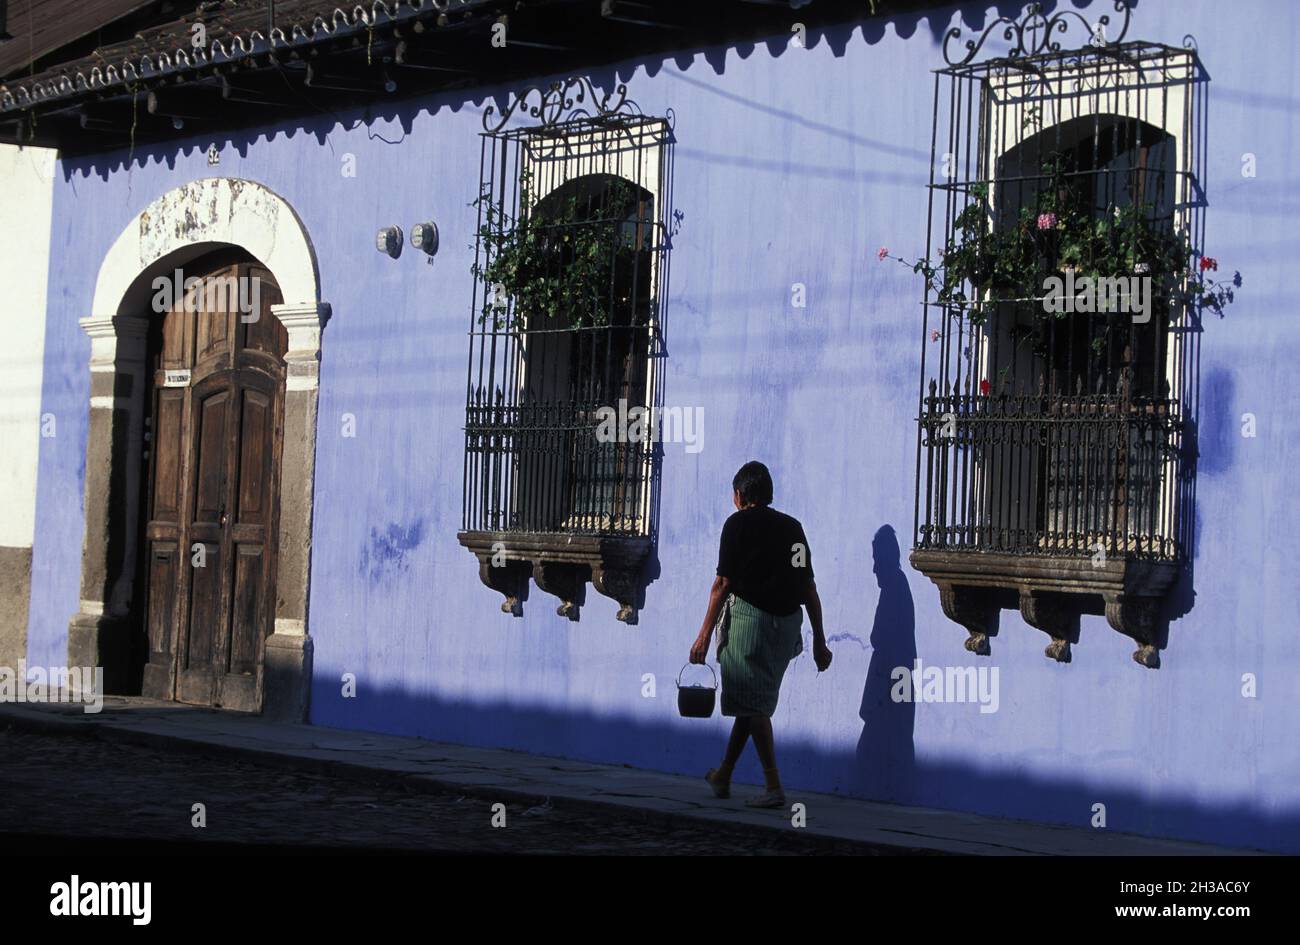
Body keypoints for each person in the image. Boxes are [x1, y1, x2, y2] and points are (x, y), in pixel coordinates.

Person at [689, 460, 832, 808]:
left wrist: (704, 634)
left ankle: (773, 787)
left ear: (739, 496)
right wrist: (819, 641)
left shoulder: (736, 525)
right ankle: (723, 774)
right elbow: (808, 587)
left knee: (753, 707)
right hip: (786, 627)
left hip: (749, 622)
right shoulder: (793, 529)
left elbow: (722, 583)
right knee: (751, 702)